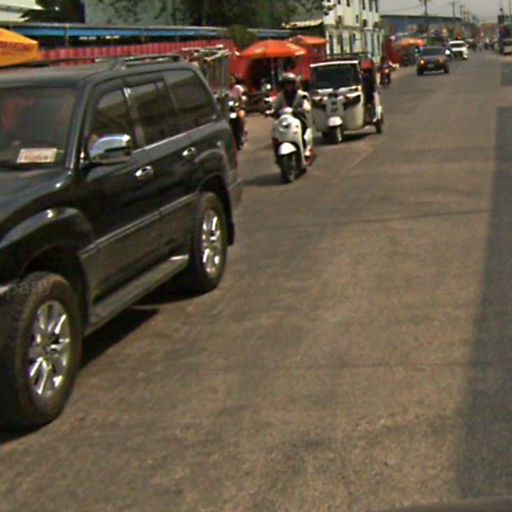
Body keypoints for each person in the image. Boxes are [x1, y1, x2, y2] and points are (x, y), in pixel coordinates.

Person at [272, 73, 313, 156]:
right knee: (276, 131)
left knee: (303, 129)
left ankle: (305, 147)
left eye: (290, 83)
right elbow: (275, 106)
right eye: (286, 84)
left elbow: (306, 105)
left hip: (298, 117)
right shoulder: (281, 95)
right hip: (285, 119)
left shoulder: (301, 94)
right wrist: (272, 111)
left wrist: (302, 109)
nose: (288, 86)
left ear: (294, 84)